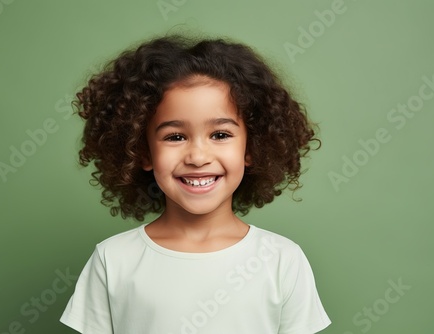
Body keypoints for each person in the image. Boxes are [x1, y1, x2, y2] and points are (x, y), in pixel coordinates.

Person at [60, 34, 331, 334]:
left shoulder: (282, 260)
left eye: (220, 135)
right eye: (175, 137)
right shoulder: (113, 260)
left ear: (252, 148)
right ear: (143, 151)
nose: (198, 157)